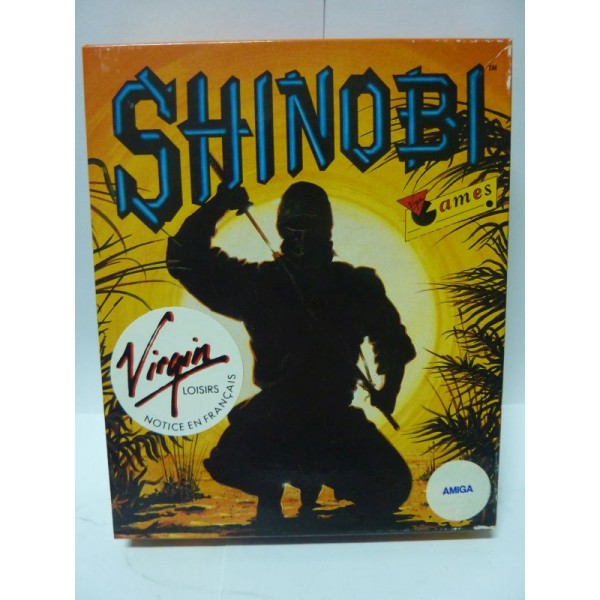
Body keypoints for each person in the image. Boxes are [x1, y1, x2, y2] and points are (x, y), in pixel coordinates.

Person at [167, 181, 416, 529]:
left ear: (326, 229)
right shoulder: (263, 283)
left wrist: (390, 390)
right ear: (283, 231)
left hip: (332, 419)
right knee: (230, 460)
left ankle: (308, 477)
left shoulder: (355, 284)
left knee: (394, 487)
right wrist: (218, 205)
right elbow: (184, 258)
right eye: (294, 227)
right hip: (276, 416)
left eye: (310, 226)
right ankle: (274, 487)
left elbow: (393, 343)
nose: (302, 237)